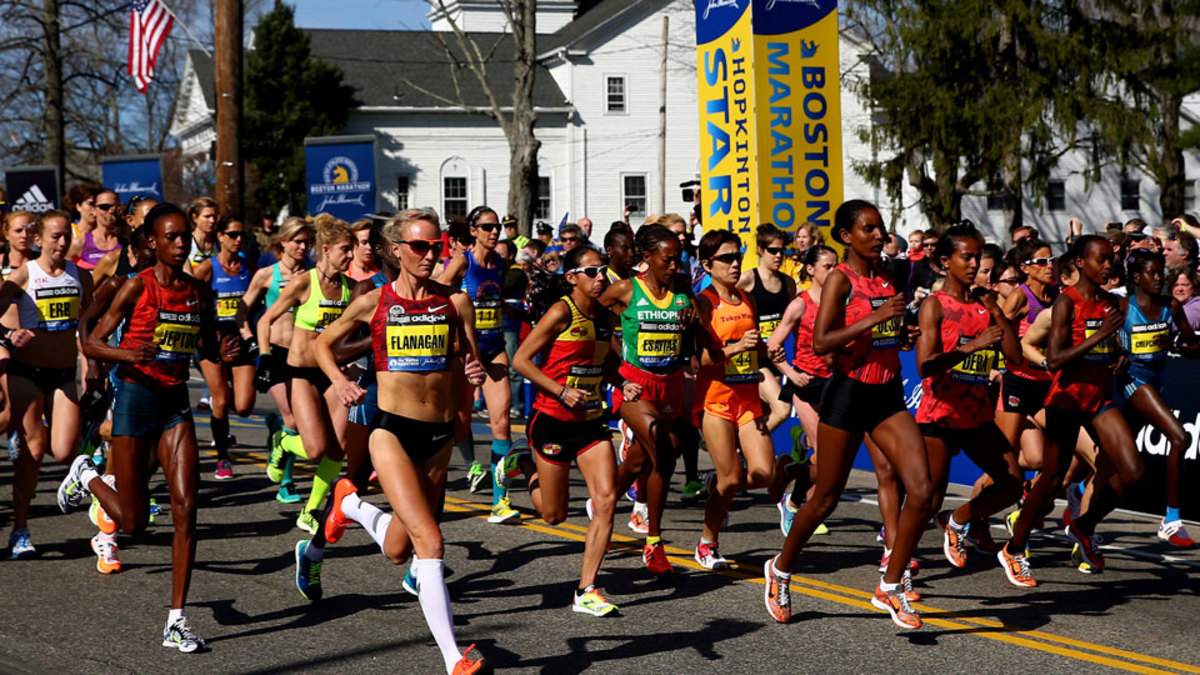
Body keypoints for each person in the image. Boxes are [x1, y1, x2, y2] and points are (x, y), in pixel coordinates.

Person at [294, 208, 492, 674]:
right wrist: (340, 382)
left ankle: (350, 505)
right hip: (392, 433)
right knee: (431, 542)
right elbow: (321, 344)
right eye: (420, 246)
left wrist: (474, 375)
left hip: (438, 436)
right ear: (397, 250)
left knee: (400, 549)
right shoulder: (373, 302)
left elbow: (469, 360)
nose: (430, 255)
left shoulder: (456, 302)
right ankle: (454, 659)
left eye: (435, 246)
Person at [61, 202, 236, 652]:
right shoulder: (136, 286)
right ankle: (86, 473)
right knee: (134, 522)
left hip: (175, 405)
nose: (180, 244)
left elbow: (208, 346)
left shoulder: (199, 292)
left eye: (184, 237)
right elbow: (93, 341)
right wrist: (128, 355)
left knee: (187, 509)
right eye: (171, 237)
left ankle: (177, 620)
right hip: (136, 401)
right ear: (153, 242)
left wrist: (224, 350)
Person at [764, 200, 933, 630]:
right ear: (845, 236)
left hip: (887, 394)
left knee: (923, 489)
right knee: (825, 497)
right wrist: (876, 318)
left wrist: (901, 333)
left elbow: (885, 332)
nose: (879, 235)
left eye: (881, 228)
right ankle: (781, 569)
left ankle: (890, 585)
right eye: (868, 229)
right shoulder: (840, 279)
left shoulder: (889, 275)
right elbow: (821, 342)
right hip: (848, 393)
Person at [1001, 235, 1134, 586]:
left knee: (1132, 471)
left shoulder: (1110, 302)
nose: (1108, 265)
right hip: (1066, 400)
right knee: (1050, 479)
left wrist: (1119, 355)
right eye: (1100, 260)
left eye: (1110, 259)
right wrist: (1097, 337)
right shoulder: (1066, 302)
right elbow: (1056, 359)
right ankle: (1014, 548)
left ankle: (1082, 526)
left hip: (1100, 398)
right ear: (1079, 262)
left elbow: (1111, 345)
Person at [505, 245, 620, 614]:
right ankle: (523, 462)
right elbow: (521, 360)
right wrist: (560, 391)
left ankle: (586, 589)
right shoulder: (561, 312)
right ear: (572, 278)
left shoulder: (606, 316)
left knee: (606, 500)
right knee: (554, 516)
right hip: (552, 420)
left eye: (603, 269)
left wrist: (622, 382)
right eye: (591, 271)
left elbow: (605, 363)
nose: (600, 277)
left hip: (590, 422)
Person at [913, 223, 1024, 575]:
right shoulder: (934, 305)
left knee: (1012, 484)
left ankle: (958, 519)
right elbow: (925, 366)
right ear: (946, 262)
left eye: (978, 258)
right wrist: (973, 345)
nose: (974, 264)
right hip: (940, 415)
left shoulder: (984, 303)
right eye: (967, 257)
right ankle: (896, 564)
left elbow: (1015, 358)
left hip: (976, 415)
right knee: (928, 499)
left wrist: (997, 312)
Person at [598, 224, 693, 574]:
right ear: (648, 257)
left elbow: (695, 325)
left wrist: (692, 319)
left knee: (640, 460)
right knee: (662, 451)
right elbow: (594, 323)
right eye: (668, 260)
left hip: (670, 384)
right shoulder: (625, 289)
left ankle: (604, 503)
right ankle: (654, 542)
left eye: (678, 259)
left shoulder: (682, 288)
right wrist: (615, 365)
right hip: (635, 385)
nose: (674, 266)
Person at [2, 211, 91, 558]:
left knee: (65, 451)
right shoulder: (24, 274)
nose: (63, 242)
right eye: (55, 236)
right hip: (26, 372)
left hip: (64, 373)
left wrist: (92, 363)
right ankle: (20, 529)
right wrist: (9, 335)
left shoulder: (81, 276)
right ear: (39, 240)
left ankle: (47, 449)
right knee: (35, 452)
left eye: (67, 236)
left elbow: (89, 323)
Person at [257, 214, 354, 533]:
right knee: (314, 450)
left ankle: (310, 511)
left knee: (337, 448)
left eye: (352, 249)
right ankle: (285, 443)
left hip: (332, 373)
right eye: (345, 249)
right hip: (301, 373)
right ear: (326, 249)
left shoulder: (348, 288)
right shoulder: (304, 282)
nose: (350, 256)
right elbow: (265, 321)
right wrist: (265, 358)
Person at [691, 229, 775, 569]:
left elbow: (755, 347)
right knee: (732, 480)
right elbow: (699, 361)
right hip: (715, 400)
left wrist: (765, 351)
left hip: (747, 398)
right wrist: (738, 347)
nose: (735, 264)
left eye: (737, 257)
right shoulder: (704, 302)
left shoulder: (747, 298)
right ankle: (707, 543)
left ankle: (716, 484)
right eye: (726, 258)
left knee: (764, 474)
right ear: (707, 265)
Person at [438, 205, 517, 523]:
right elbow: (438, 296)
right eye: (487, 227)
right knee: (458, 425)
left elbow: (495, 302)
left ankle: (500, 502)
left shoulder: (500, 263)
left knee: (502, 422)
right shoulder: (462, 261)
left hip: (495, 348)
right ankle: (433, 486)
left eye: (496, 226)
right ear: (473, 231)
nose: (494, 231)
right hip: (465, 353)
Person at [1114, 250, 1197, 546]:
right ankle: (1171, 520)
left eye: (1162, 273)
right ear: (1137, 277)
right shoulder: (1123, 306)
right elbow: (1100, 338)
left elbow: (1191, 343)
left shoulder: (1170, 306)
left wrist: (1183, 346)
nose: (1160, 278)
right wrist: (1116, 352)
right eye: (1153, 273)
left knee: (1108, 460)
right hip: (1131, 382)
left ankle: (1079, 494)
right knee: (1179, 437)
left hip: (1156, 382)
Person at [242, 217, 315, 503]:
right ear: (283, 241)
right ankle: (286, 482)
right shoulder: (266, 275)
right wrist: (251, 342)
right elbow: (242, 312)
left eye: (307, 242)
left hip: (300, 353)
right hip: (272, 351)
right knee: (293, 418)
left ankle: (275, 428)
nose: (303, 247)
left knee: (296, 420)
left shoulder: (312, 275)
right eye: (297, 241)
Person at [766, 245, 838, 535]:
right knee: (825, 455)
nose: (833, 272)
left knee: (831, 460)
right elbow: (772, 346)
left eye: (836, 266)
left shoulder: (841, 301)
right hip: (806, 385)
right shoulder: (800, 304)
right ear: (810, 269)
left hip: (835, 384)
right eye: (827, 267)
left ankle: (788, 472)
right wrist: (792, 374)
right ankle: (796, 505)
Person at [192, 216, 257, 479]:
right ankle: (222, 457)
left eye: (242, 235)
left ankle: (271, 425)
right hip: (212, 342)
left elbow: (259, 304)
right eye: (232, 234)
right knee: (220, 402)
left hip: (240, 341)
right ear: (219, 236)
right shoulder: (208, 268)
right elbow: (191, 307)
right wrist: (211, 338)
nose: (238, 239)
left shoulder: (248, 268)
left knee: (243, 407)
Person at [737, 223, 796, 433]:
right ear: (761, 250)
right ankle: (743, 445)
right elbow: (722, 303)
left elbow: (792, 320)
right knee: (782, 409)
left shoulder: (788, 283)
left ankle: (748, 449)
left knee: (764, 413)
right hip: (753, 358)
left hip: (775, 357)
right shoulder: (747, 279)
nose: (779, 256)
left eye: (782, 251)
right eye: (773, 250)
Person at [70, 189, 122, 271]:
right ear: (93, 210)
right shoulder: (79, 243)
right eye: (104, 207)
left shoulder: (127, 242)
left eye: (115, 207)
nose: (111, 211)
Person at [186, 197, 219, 273]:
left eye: (214, 217)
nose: (212, 220)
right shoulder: (187, 242)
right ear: (195, 217)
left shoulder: (219, 243)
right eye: (207, 216)